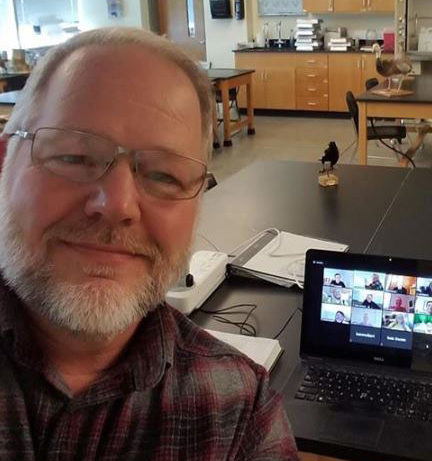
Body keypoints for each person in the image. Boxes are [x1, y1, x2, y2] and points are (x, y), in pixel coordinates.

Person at [0, 28, 297, 459]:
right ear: (5, 163)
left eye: (163, 175)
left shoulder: (238, 412)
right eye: (74, 157)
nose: (118, 204)